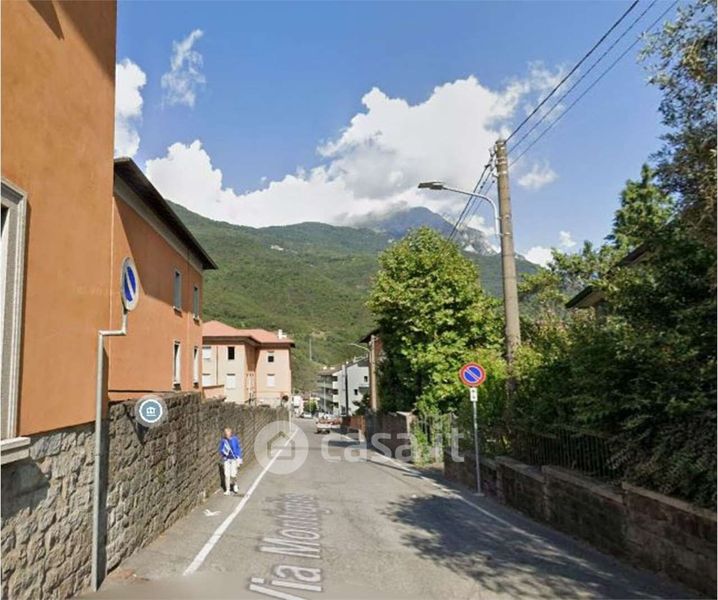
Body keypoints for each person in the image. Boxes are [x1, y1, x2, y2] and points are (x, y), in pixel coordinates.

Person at [218, 427, 243, 495]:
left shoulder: (235, 439)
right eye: (226, 433)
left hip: (234, 459)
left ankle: (235, 484)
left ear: (231, 433)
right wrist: (224, 452)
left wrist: (239, 457)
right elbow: (220, 449)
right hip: (227, 459)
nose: (227, 434)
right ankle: (228, 490)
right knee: (227, 475)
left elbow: (238, 448)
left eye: (228, 433)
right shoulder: (223, 441)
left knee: (233, 475)